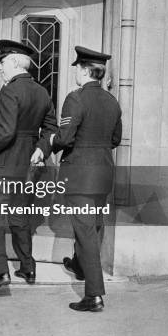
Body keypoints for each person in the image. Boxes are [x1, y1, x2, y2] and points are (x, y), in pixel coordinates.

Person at [0, 39, 58, 295]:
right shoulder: (42, 92)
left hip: (5, 163)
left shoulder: (10, 91)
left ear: (16, 62)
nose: (1, 68)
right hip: (28, 165)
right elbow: (51, 129)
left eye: (3, 63)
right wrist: (42, 149)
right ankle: (28, 267)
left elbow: (5, 134)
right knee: (19, 217)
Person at [43, 46, 122, 312]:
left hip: (80, 175)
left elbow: (65, 138)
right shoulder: (112, 101)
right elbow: (115, 140)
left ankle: (94, 295)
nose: (75, 72)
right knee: (92, 226)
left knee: (85, 230)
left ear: (86, 70)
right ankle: (79, 265)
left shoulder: (75, 98)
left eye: (77, 67)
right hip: (102, 173)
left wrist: (52, 139)